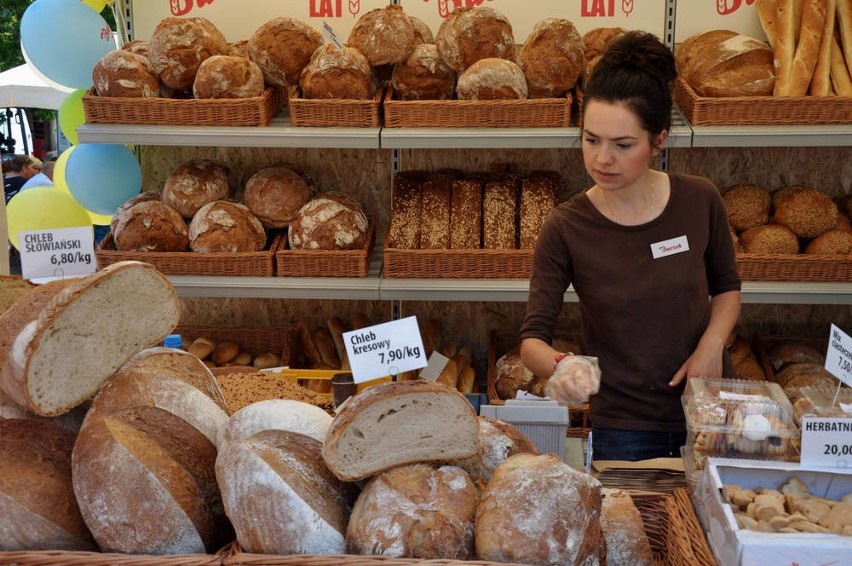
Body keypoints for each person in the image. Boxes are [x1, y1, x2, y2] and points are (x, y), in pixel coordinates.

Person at [519, 31, 742, 462]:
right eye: (591, 140)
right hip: (624, 428)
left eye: (623, 145)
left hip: (710, 410)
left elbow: (728, 288)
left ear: (659, 140)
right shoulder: (566, 227)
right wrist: (563, 365)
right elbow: (532, 341)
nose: (602, 159)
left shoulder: (699, 199)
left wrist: (712, 345)